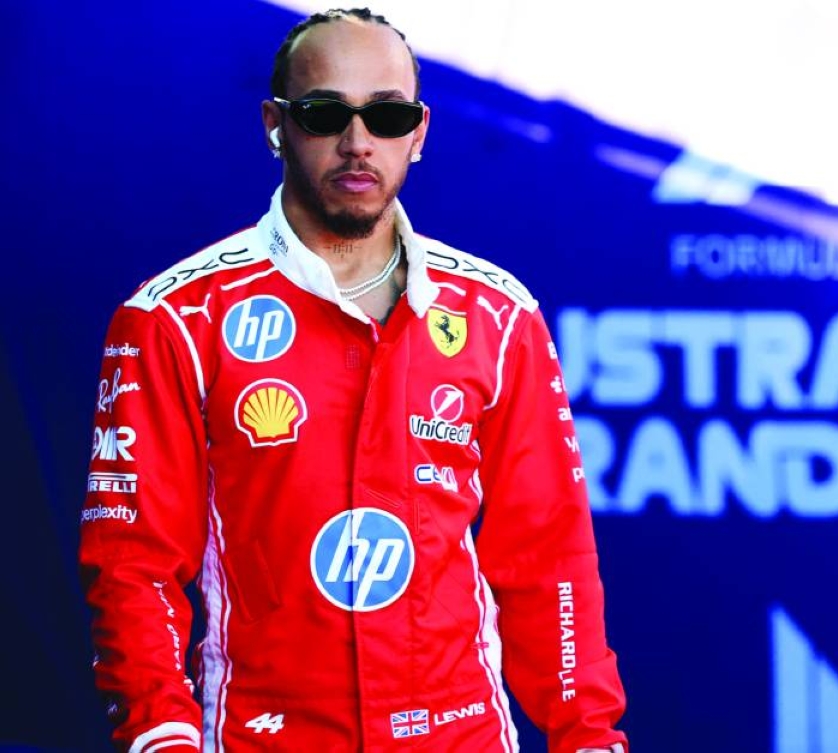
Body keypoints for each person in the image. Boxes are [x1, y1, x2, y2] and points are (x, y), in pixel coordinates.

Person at [79, 8, 628, 752]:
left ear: (420, 132)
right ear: (275, 124)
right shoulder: (175, 316)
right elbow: (131, 568)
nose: (358, 140)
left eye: (387, 114)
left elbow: (549, 560)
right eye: (325, 111)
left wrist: (589, 736)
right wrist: (162, 738)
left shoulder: (500, 315)